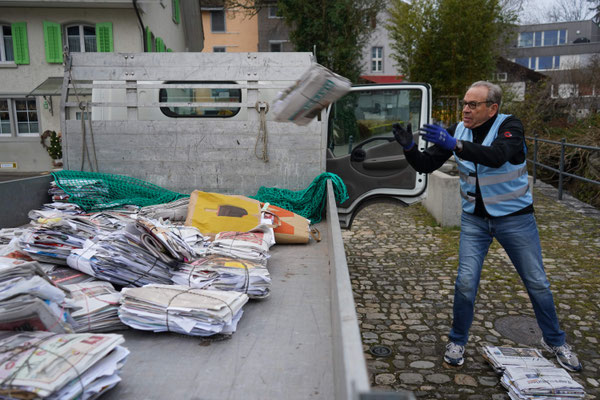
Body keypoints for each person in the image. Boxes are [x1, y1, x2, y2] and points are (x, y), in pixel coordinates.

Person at [392, 81, 582, 372]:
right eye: (465, 104)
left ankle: (555, 341)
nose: (465, 110)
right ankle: (457, 340)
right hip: (475, 221)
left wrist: (454, 145)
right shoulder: (458, 130)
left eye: (473, 104)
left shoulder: (510, 127)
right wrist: (408, 147)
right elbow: (425, 165)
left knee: (537, 282)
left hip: (515, 218)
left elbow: (496, 157)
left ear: (492, 108)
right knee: (465, 282)